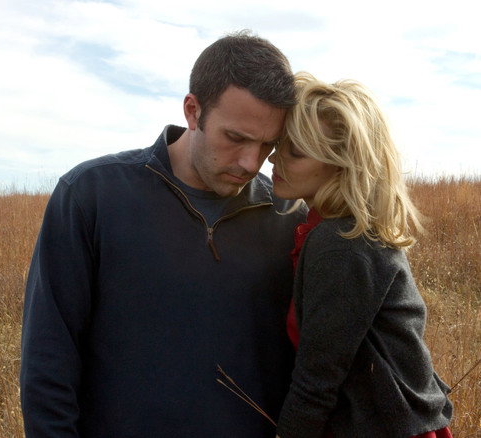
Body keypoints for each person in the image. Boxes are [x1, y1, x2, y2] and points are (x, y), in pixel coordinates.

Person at [20, 31, 307, 437]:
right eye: (236, 138)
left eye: (267, 146)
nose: (250, 162)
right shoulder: (92, 196)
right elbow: (48, 359)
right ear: (193, 110)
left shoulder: (289, 217)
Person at [269, 73, 453, 438]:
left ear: (341, 164)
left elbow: (316, 384)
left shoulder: (341, 242)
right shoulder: (344, 229)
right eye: (279, 145)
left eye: (296, 151)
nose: (274, 157)